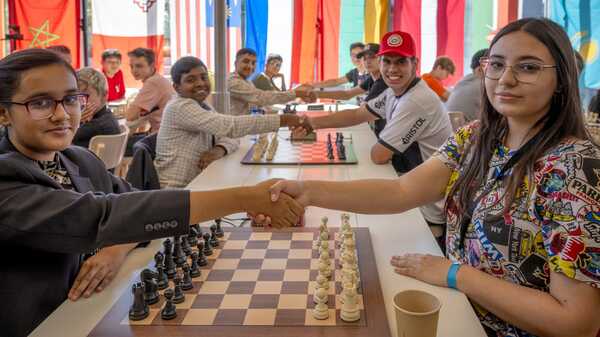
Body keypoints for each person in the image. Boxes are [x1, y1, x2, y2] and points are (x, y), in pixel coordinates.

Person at [260, 18, 600, 337]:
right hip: (459, 312)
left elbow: (576, 322)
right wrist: (306, 191)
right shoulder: (476, 136)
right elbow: (402, 190)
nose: (505, 79)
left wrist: (454, 274)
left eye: (527, 67)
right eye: (496, 64)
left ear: (562, 80)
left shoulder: (574, 166)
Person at [0, 48, 303, 337]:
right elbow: (105, 216)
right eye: (40, 103)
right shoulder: (6, 179)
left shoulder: (79, 159)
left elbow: (131, 205)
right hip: (41, 324)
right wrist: (243, 198)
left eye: (70, 99)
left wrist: (115, 248)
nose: (61, 114)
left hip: (91, 311)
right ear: (4, 114)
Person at [295, 31, 452, 250]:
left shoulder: (416, 100)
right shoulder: (396, 91)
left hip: (427, 210)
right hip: (412, 189)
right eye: (387, 61)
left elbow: (379, 155)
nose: (392, 69)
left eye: (400, 62)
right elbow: (358, 114)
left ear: (414, 63)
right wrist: (311, 123)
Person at [156, 56, 311, 188]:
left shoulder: (202, 105)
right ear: (176, 87)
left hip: (200, 181)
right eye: (191, 80)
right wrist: (284, 120)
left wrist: (219, 149)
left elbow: (228, 136)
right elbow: (230, 127)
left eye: (203, 77)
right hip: (177, 190)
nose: (200, 83)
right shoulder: (180, 107)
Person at [228, 48, 313, 116]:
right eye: (246, 61)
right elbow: (264, 97)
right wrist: (296, 93)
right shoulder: (235, 81)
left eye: (253, 63)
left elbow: (258, 107)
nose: (250, 66)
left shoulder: (248, 82)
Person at [312, 43, 388, 104]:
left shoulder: (383, 81)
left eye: (372, 57)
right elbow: (346, 94)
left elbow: (363, 109)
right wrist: (313, 93)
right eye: (364, 58)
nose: (367, 61)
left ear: (382, 58)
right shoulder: (371, 79)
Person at [126, 48, 174, 133]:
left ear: (152, 66)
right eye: (131, 66)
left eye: (139, 66)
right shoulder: (158, 79)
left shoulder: (153, 82)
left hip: (162, 135)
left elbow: (130, 115)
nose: (134, 70)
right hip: (164, 131)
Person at [72, 67, 121, 148]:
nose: (80, 101)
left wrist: (75, 121)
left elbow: (60, 143)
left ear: (104, 95)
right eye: (76, 95)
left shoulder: (95, 126)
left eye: (85, 95)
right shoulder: (107, 116)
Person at [445, 49, 488, 122]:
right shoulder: (482, 86)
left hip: (457, 132)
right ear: (480, 70)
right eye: (495, 66)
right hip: (472, 132)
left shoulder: (461, 83)